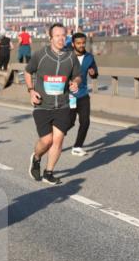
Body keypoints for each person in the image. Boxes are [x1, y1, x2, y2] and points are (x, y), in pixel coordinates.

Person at [25, 23, 81, 184]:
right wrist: (31, 90)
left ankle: (49, 172)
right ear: (50, 38)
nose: (61, 38)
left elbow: (77, 75)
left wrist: (75, 82)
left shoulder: (71, 57)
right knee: (47, 140)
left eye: (63, 35)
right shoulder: (41, 55)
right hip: (42, 104)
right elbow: (28, 71)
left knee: (58, 140)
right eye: (57, 36)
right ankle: (36, 158)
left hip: (62, 105)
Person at [68, 32, 99, 156]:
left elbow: (95, 71)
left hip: (83, 94)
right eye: (78, 43)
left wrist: (93, 73)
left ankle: (77, 147)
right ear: (73, 44)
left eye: (83, 43)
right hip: (69, 95)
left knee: (85, 122)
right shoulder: (67, 56)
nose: (81, 45)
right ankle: (54, 138)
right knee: (69, 122)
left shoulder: (89, 57)